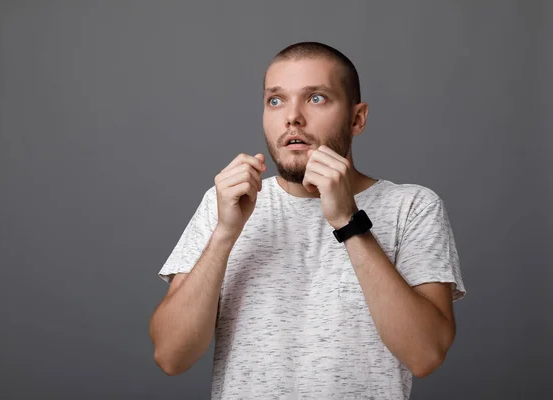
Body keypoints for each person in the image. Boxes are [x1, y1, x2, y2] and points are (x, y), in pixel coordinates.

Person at [149, 41, 466, 399]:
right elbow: (171, 356)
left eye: (316, 98)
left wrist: (348, 221)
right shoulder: (225, 205)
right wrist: (224, 234)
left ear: (357, 118)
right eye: (276, 100)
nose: (292, 117)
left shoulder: (412, 206)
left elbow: (425, 355)